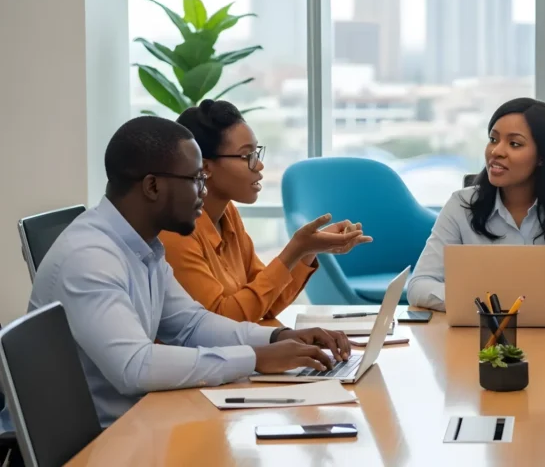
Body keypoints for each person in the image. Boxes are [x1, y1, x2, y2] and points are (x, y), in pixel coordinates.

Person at [0, 116, 356, 430]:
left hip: (142, 422)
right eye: (195, 179)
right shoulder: (90, 258)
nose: (204, 191)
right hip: (105, 443)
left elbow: (190, 325)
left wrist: (277, 338)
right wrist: (255, 358)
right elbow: (135, 367)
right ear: (152, 186)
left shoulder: (144, 246)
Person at [407, 98, 545, 313]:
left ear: (543, 157)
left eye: (514, 144)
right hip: (482, 333)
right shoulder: (461, 205)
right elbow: (420, 284)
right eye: (493, 139)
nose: (496, 151)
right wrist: (476, 304)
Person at [160, 100, 371, 322]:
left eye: (256, 153)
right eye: (246, 156)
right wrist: (295, 249)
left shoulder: (227, 213)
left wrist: (307, 250)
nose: (259, 165)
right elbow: (221, 323)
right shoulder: (175, 231)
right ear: (205, 168)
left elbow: (266, 304)